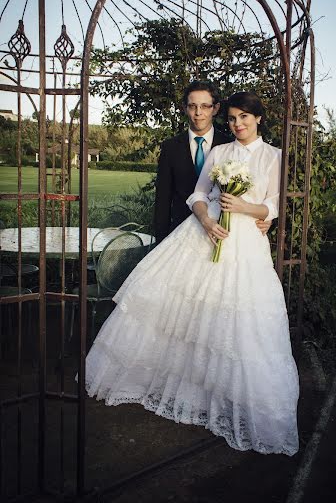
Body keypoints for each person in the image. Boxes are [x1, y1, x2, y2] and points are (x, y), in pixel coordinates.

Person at [85, 91, 299, 456]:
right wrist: (205, 219)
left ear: (259, 119)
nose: (237, 124)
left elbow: (275, 204)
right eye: (232, 118)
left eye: (244, 117)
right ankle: (182, 386)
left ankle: (222, 394)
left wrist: (248, 208)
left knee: (232, 319)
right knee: (182, 310)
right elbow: (199, 194)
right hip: (202, 233)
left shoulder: (274, 156)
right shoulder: (219, 152)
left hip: (244, 243)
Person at [154, 80, 270, 242]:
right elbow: (162, 199)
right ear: (185, 108)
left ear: (215, 108)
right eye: (192, 106)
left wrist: (268, 219)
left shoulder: (230, 146)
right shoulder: (170, 147)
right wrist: (161, 240)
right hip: (181, 234)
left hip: (224, 233)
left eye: (205, 106)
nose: (198, 112)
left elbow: (262, 191)